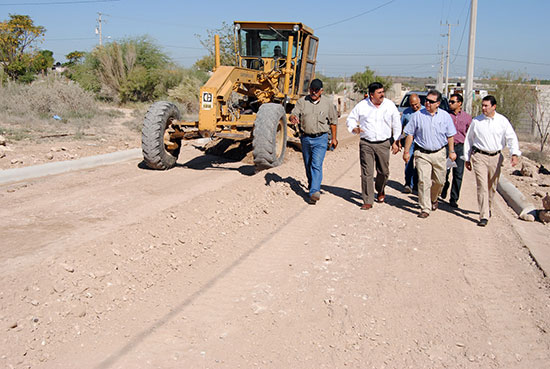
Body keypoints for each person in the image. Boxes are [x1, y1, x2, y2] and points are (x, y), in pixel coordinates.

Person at [464, 95, 521, 227]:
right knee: (482, 186)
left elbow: (511, 137)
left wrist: (514, 153)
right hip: (479, 156)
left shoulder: (502, 121)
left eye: (486, 106)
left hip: (496, 157)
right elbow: (469, 140)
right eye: (482, 105)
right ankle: (483, 215)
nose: (483, 108)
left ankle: (487, 206)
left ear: (494, 107)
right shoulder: (476, 121)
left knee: (491, 186)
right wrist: (467, 158)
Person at [346, 82, 401, 210]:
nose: (382, 95)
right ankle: (368, 200)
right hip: (367, 144)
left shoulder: (389, 105)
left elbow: (396, 123)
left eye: (383, 92)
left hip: (383, 143)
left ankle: (380, 189)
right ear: (371, 95)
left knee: (383, 172)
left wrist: (396, 140)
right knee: (367, 173)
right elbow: (351, 119)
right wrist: (354, 128)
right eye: (379, 93)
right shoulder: (362, 106)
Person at [403, 89, 457, 218]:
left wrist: (452, 151)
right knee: (423, 181)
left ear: (437, 103)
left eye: (431, 101)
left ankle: (434, 198)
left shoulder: (445, 116)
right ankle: (425, 208)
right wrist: (406, 152)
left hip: (439, 153)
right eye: (426, 100)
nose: (427, 103)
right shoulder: (417, 116)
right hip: (422, 153)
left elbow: (450, 136)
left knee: (440, 181)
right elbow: (410, 134)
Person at [290, 78, 338, 204]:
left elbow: (333, 122)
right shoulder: (302, 102)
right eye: (312, 89)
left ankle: (314, 192)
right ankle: (312, 185)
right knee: (308, 164)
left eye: (317, 90)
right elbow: (293, 114)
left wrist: (334, 138)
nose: (314, 92)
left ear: (321, 91)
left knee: (316, 164)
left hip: (321, 139)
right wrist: (293, 118)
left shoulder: (327, 103)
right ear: (309, 89)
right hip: (305, 138)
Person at [440, 93, 472, 208]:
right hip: (447, 146)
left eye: (453, 102)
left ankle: (454, 198)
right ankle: (444, 186)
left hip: (460, 147)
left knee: (458, 174)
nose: (450, 104)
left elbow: (470, 135)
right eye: (449, 101)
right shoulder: (445, 116)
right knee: (444, 171)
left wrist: (470, 151)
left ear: (459, 103)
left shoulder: (467, 118)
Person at [400, 93, 422, 193]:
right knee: (408, 162)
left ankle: (417, 183)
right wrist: (398, 141)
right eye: (412, 105)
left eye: (416, 104)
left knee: (420, 163)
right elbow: (401, 128)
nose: (414, 106)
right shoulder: (406, 113)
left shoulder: (425, 111)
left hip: (421, 142)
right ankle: (408, 184)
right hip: (410, 142)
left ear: (419, 101)